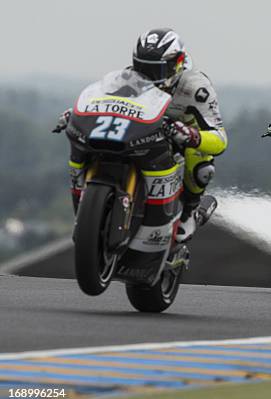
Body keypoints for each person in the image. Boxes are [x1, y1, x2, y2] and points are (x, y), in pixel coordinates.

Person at [55, 28, 227, 242]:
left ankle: (190, 211)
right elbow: (105, 103)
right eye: (142, 67)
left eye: (157, 70)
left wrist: (191, 135)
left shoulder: (197, 89)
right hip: (141, 133)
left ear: (179, 62)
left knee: (202, 168)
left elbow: (220, 140)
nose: (148, 75)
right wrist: (76, 114)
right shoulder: (127, 78)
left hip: (179, 137)